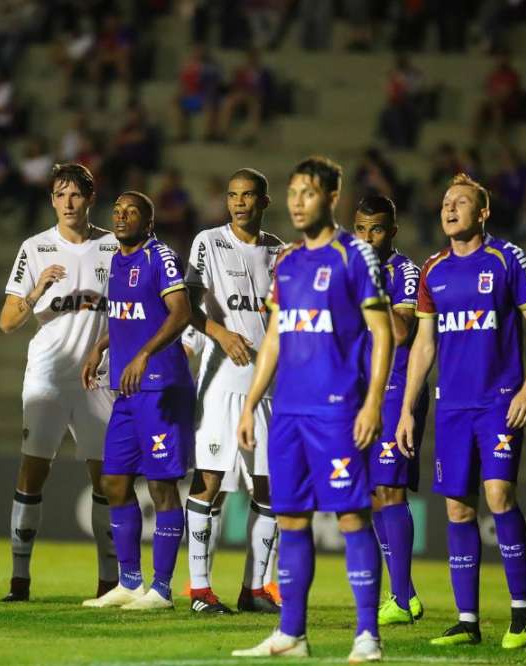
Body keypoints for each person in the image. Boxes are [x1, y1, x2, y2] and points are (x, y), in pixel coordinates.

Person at [233, 156, 392, 661]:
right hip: (288, 415)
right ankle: (292, 634)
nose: (298, 202)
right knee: (291, 521)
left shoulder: (353, 256)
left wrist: (372, 402)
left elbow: (383, 333)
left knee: (351, 518)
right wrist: (250, 404)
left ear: (331, 198)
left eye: (308, 193)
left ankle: (367, 635)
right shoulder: (287, 262)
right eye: (293, 192)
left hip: (338, 412)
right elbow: (274, 339)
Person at [396, 173, 526, 649]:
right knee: (457, 508)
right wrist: (407, 409)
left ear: (483, 212)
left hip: (498, 401)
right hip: (452, 407)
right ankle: (467, 620)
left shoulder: (506, 259)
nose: (449, 208)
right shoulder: (433, 269)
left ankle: (522, 612)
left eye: (461, 202)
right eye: (446, 201)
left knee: (499, 495)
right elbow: (424, 345)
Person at [0, 163, 120, 603]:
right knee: (33, 472)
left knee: (106, 480)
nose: (67, 203)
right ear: (51, 200)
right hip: (47, 377)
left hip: (97, 381)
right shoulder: (35, 248)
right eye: (59, 195)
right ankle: (19, 580)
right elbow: (7, 322)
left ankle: (109, 582)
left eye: (75, 194)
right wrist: (36, 292)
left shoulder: (113, 247)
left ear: (90, 198)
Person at [80, 191, 193, 610]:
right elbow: (128, 315)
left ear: (148, 222)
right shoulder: (116, 260)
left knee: (161, 484)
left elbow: (180, 312)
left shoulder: (159, 257)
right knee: (114, 481)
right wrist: (100, 347)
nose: (121, 217)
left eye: (131, 212)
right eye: (117, 211)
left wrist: (144, 355)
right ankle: (129, 582)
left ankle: (161, 589)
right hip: (127, 390)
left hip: (161, 386)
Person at [183, 168, 284, 614]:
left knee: (270, 488)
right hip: (221, 383)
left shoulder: (280, 253)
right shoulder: (208, 242)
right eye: (233, 195)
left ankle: (254, 589)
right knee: (209, 481)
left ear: (264, 201)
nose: (239, 203)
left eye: (248, 195)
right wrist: (220, 334)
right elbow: (186, 306)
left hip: (267, 387)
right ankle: (199, 590)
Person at [352, 194, 427, 626]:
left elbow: (400, 332)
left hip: (397, 390)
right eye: (361, 229)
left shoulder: (404, 272)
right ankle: (405, 595)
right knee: (374, 495)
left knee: (391, 490)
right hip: (362, 394)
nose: (367, 238)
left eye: (376, 229)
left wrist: (371, 285)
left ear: (392, 231)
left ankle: (400, 598)